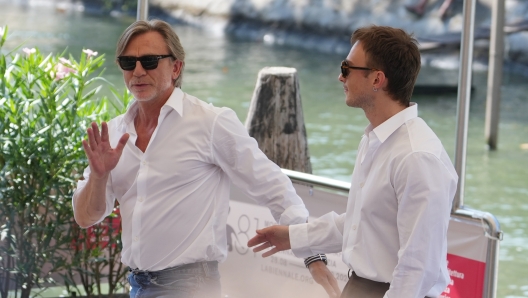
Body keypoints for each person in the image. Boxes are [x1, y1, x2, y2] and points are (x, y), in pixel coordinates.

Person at [72, 19, 339, 298]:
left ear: (176, 67)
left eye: (150, 61)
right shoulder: (113, 133)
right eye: (128, 62)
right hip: (139, 286)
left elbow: (273, 187)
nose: (138, 71)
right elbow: (85, 217)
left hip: (190, 285)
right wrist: (99, 177)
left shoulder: (211, 123)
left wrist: (312, 256)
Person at [248, 25, 459, 298]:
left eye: (347, 68)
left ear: (377, 79)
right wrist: (293, 236)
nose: (340, 76)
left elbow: (418, 268)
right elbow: (361, 225)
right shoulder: (376, 139)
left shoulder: (417, 156)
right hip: (361, 288)